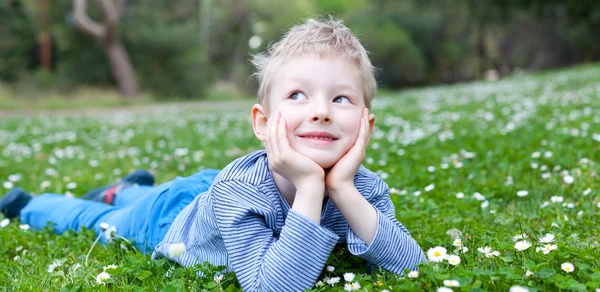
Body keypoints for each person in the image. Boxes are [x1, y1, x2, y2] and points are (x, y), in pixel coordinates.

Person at [0, 17, 427, 291]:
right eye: (298, 94)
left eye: (341, 99)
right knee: (97, 221)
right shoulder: (240, 191)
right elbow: (271, 287)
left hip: (207, 193)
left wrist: (342, 190)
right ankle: (34, 203)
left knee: (151, 194)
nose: (320, 111)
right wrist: (312, 186)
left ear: (366, 125)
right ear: (263, 122)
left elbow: (411, 265)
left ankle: (124, 188)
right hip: (170, 220)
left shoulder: (362, 188)